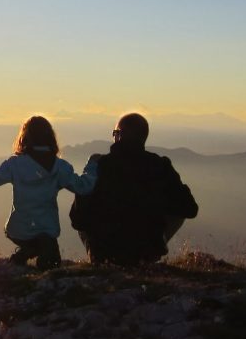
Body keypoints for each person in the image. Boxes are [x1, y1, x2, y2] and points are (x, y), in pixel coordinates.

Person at [70, 112, 198, 266]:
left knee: (84, 198)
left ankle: (96, 257)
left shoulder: (99, 166)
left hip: (104, 252)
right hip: (144, 251)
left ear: (118, 136)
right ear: (143, 137)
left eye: (115, 133)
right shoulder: (160, 165)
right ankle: (153, 252)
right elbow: (190, 209)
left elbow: (77, 219)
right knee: (177, 214)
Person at [0, 115, 97, 270]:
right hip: (47, 231)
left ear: (24, 137)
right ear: (50, 138)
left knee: (45, 253)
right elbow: (83, 187)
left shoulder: (15, 164)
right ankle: (34, 253)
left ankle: (27, 252)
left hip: (17, 230)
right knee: (51, 264)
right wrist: (93, 165)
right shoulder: (60, 167)